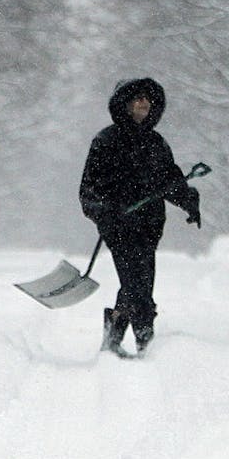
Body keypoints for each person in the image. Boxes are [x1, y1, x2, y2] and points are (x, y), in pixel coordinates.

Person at [79, 77, 200, 356]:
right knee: (136, 283)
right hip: (119, 227)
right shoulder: (106, 141)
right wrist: (103, 212)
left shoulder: (156, 143)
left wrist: (189, 201)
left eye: (147, 98)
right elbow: (88, 190)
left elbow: (171, 182)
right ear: (124, 104)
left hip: (149, 225)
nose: (144, 103)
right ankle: (146, 340)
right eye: (137, 98)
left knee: (140, 279)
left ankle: (113, 339)